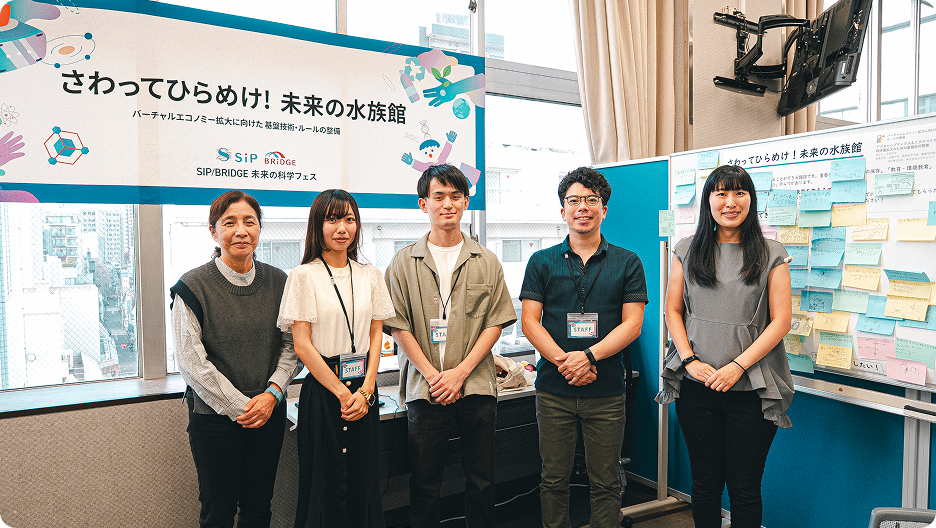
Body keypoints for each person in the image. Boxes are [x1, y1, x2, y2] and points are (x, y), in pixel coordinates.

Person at [656, 165, 794, 528]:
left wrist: (738, 366)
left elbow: (781, 321)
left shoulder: (771, 252)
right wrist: (688, 361)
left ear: (751, 199)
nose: (730, 202)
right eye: (721, 193)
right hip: (697, 385)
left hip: (751, 387)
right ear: (708, 201)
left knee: (745, 487)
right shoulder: (687, 249)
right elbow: (673, 309)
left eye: (739, 193)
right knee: (704, 485)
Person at [383, 164, 516, 528]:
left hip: (475, 385)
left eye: (456, 197)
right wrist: (434, 375)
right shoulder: (402, 262)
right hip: (424, 389)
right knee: (425, 482)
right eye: (438, 197)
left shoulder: (485, 260)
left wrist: (458, 374)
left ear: (466, 201)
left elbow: (496, 322)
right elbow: (397, 325)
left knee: (482, 479)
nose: (447, 204)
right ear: (423, 203)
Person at [520, 166, 648, 528]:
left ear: (604, 209)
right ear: (562, 211)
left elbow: (632, 324)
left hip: (606, 388)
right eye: (574, 200)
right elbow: (530, 322)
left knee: (606, 481)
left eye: (592, 200)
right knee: (553, 479)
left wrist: (589, 357)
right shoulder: (541, 261)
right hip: (553, 388)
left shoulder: (628, 261)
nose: (583, 207)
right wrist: (566, 362)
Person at [170, 190, 301, 528]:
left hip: (269, 412)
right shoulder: (192, 286)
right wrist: (243, 407)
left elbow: (292, 346)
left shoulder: (279, 282)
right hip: (214, 421)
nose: (241, 231)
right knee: (217, 512)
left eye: (249, 222)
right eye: (229, 223)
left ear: (259, 229)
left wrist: (272, 395)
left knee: (259, 508)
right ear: (213, 231)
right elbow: (191, 363)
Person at [277, 189, 395, 528]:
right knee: (323, 481)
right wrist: (345, 394)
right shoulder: (304, 275)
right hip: (325, 391)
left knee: (363, 479)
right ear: (318, 225)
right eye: (332, 219)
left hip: (364, 388)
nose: (342, 227)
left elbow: (376, 333)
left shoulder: (370, 274)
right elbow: (302, 345)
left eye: (349, 219)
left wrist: (367, 390)